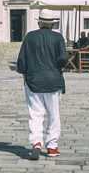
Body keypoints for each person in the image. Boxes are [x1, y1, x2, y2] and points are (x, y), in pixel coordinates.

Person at [17, 9, 68, 160]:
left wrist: (25, 79)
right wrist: (57, 68)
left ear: (39, 22)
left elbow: (22, 61)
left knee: (35, 114)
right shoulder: (58, 37)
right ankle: (52, 147)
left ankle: (36, 142)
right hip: (53, 81)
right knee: (54, 115)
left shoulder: (30, 37)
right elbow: (64, 58)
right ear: (52, 24)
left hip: (33, 80)